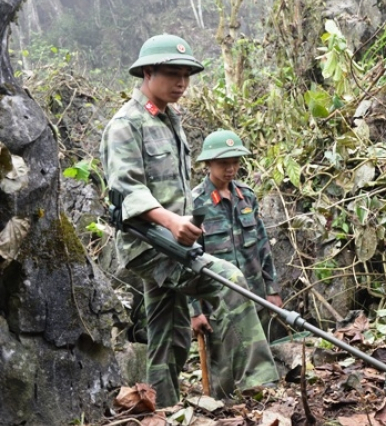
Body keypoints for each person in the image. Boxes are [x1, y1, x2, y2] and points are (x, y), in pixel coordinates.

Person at [100, 34, 279, 407]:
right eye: (173, 74)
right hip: (151, 243)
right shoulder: (125, 125)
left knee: (169, 334)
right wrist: (169, 221)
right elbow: (126, 186)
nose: (181, 83)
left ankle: (159, 409)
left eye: (186, 75)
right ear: (148, 72)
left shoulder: (169, 119)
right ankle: (261, 386)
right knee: (229, 279)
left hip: (174, 244)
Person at [189, 130, 284, 393]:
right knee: (223, 369)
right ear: (208, 163)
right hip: (219, 301)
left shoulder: (247, 196)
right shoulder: (195, 203)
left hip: (255, 295)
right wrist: (195, 311)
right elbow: (187, 259)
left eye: (235, 162)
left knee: (260, 360)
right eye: (223, 163)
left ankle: (262, 405)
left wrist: (272, 287)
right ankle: (222, 411)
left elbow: (262, 244)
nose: (230, 169)